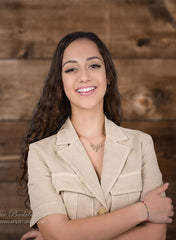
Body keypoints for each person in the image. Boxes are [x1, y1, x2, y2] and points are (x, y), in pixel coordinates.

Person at [18, 32, 174, 240]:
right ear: (61, 82)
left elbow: (155, 236)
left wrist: (67, 235)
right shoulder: (40, 153)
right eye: (71, 69)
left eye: (94, 65)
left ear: (107, 75)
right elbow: (58, 235)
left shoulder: (141, 143)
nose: (84, 76)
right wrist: (143, 210)